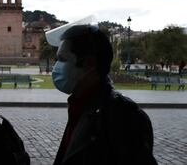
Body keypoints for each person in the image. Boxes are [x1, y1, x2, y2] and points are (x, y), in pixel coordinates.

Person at [45, 22, 157, 165]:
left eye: (62, 59)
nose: (56, 67)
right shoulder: (80, 105)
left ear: (89, 64)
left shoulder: (124, 117)